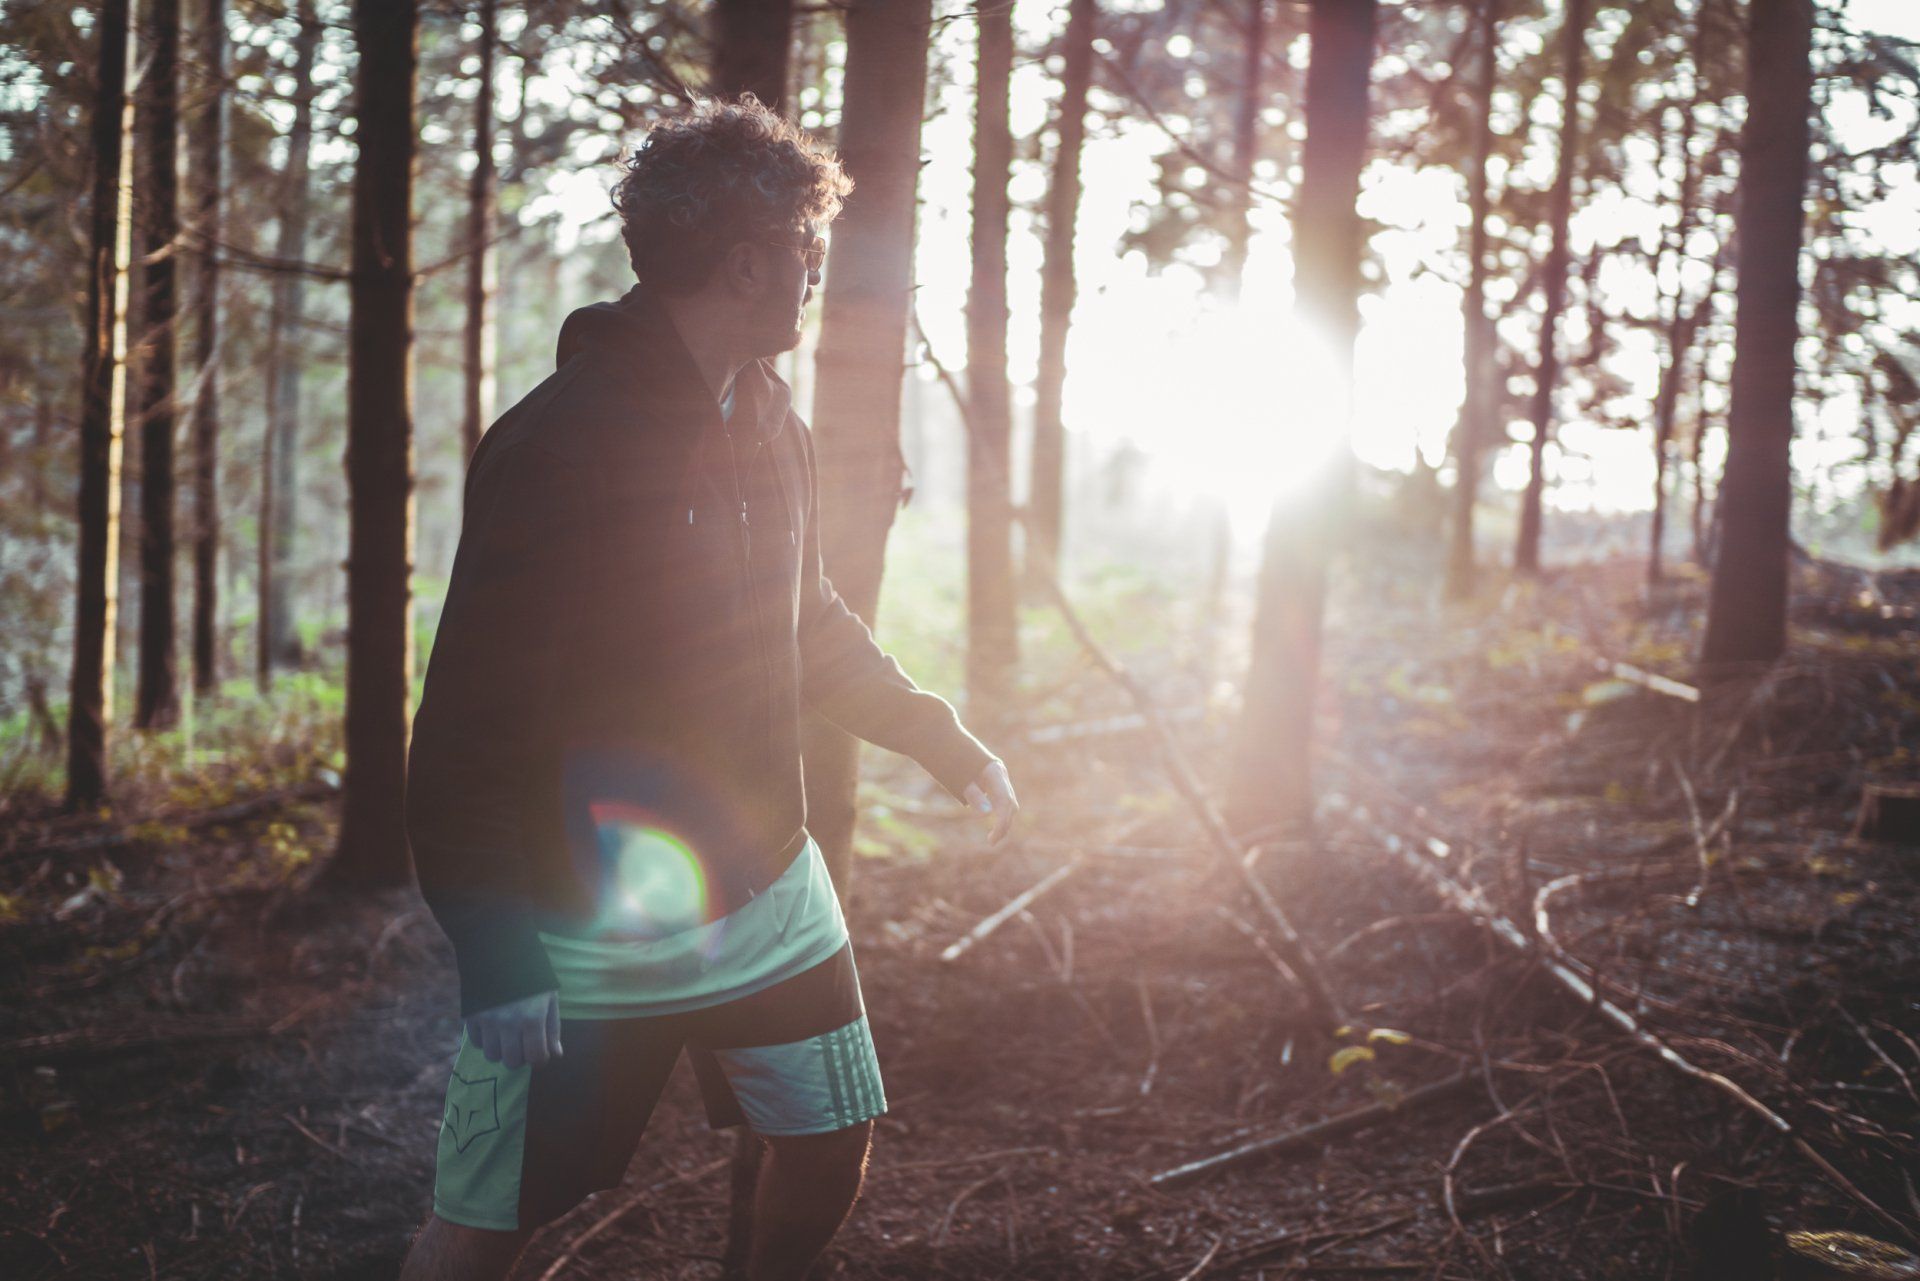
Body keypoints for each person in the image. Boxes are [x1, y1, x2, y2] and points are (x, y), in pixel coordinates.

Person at [398, 97, 1019, 1281]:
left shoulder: (770, 421)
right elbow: (467, 729)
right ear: (746, 263)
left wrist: (939, 738)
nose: (813, 273)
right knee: (486, 1222)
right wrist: (497, 946)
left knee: (833, 1143)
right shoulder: (556, 449)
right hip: (584, 921)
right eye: (804, 251)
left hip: (770, 883)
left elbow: (807, 624)